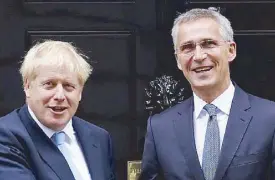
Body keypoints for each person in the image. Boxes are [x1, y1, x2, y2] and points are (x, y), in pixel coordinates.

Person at [139, 7, 275, 180]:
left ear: (231, 50)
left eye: (208, 43)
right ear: (178, 60)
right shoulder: (160, 128)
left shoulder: (270, 118)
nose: (198, 56)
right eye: (187, 47)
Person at [0, 40, 115, 180]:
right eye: (49, 84)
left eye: (68, 86)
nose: (60, 96)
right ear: (27, 86)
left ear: (80, 92)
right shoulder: (6, 137)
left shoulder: (99, 138)